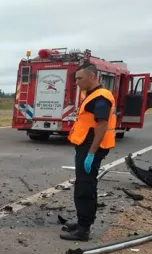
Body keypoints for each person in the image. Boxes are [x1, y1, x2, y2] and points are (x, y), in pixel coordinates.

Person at [60, 63, 117, 241]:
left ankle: (83, 229)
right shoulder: (90, 95)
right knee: (83, 184)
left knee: (85, 187)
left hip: (92, 148)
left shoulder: (101, 97)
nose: (76, 82)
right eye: (76, 78)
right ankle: (82, 221)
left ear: (92, 77)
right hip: (85, 146)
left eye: (80, 78)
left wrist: (91, 154)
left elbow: (102, 125)